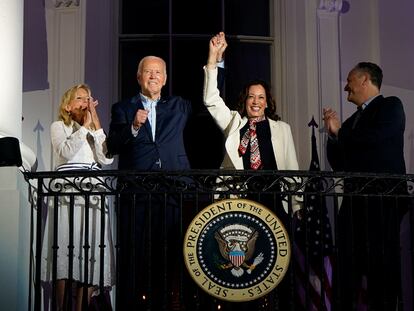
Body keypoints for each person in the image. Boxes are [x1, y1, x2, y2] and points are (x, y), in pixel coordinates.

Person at [107, 46, 226, 309]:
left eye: (158, 72)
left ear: (165, 78)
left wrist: (215, 61)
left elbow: (212, 96)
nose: (153, 76)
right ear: (138, 77)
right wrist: (133, 127)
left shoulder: (179, 106)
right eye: (148, 71)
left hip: (174, 193)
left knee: (171, 259)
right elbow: (112, 146)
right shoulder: (123, 108)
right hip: (137, 195)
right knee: (136, 259)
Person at [203, 32, 302, 309]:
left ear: (268, 102)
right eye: (251, 97)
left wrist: (297, 205)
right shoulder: (234, 123)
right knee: (242, 273)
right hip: (239, 205)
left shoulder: (282, 130)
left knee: (278, 268)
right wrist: (213, 61)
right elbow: (211, 100)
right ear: (244, 101)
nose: (256, 101)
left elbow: (293, 169)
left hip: (274, 203)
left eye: (261, 97)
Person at [323, 62, 407, 310]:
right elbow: (339, 163)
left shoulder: (390, 106)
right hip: (354, 207)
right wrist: (332, 134)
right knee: (347, 271)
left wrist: (341, 134)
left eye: (350, 80)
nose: (346, 86)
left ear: (365, 80)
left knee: (382, 272)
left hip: (382, 204)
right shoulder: (351, 122)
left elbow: (376, 140)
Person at [41, 84, 115, 311]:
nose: (86, 102)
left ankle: (82, 306)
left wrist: (96, 123)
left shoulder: (91, 130)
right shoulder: (59, 126)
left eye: (89, 99)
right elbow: (65, 151)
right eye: (81, 98)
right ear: (68, 105)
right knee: (66, 246)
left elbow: (106, 158)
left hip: (93, 195)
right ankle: (62, 306)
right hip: (69, 196)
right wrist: (84, 127)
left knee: (90, 250)